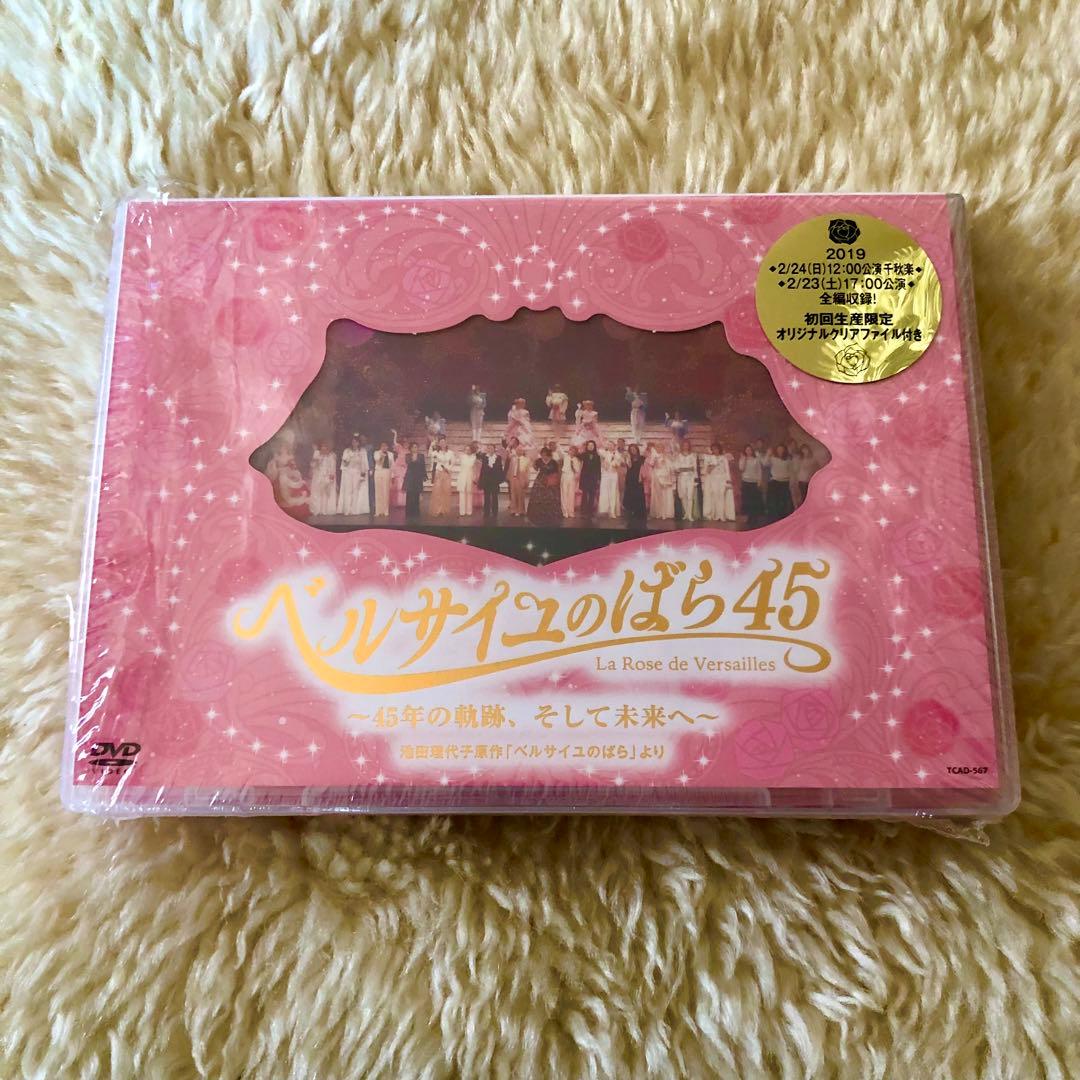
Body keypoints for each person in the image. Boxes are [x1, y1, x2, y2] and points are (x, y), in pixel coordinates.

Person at [702, 442, 737, 522]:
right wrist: (711, 466)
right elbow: (705, 471)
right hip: (713, 479)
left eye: (716, 449)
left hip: (722, 479)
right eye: (713, 449)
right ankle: (716, 515)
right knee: (715, 495)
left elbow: (727, 470)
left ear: (719, 449)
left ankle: (722, 515)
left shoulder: (723, 458)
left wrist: (728, 480)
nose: (715, 450)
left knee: (721, 495)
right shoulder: (709, 458)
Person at [527, 447, 562, 524]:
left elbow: (557, 472)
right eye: (542, 455)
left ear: (548, 454)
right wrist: (533, 462)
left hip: (550, 480)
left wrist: (555, 480)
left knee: (551, 496)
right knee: (537, 496)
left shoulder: (553, 462)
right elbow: (536, 469)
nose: (544, 456)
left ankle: (551, 514)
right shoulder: (539, 461)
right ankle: (538, 514)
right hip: (540, 479)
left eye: (545, 455)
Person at [337, 433, 370, 515]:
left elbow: (364, 463)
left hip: (357, 473)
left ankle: (355, 509)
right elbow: (344, 464)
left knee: (356, 490)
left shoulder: (362, 451)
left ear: (359, 443)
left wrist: (363, 474)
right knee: (348, 490)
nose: (354, 443)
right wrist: (347, 458)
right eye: (353, 442)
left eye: (356, 442)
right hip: (348, 472)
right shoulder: (347, 451)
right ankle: (347, 509)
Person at [765, 444, 794, 522]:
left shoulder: (788, 460)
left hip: (785, 482)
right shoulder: (773, 458)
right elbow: (765, 463)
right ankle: (775, 518)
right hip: (775, 482)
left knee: (784, 500)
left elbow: (791, 471)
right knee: (775, 501)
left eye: (781, 449)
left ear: (784, 450)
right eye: (778, 449)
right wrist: (768, 454)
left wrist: (791, 482)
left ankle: (783, 518)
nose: (780, 451)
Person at [739, 444, 765, 526]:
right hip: (745, 482)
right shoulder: (742, 459)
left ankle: (755, 517)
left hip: (754, 482)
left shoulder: (756, 460)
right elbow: (741, 469)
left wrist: (759, 481)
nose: (748, 451)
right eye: (747, 450)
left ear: (752, 451)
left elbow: (759, 471)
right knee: (747, 501)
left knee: (754, 501)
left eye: (750, 450)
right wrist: (744, 459)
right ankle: (749, 517)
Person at [309, 442, 338, 517]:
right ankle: (317, 509)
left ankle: (324, 509)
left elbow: (332, 468)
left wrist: (331, 477)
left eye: (325, 447)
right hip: (318, 476)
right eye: (322, 447)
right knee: (317, 493)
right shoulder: (317, 456)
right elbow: (313, 466)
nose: (324, 449)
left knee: (325, 493)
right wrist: (316, 460)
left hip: (326, 477)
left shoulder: (331, 457)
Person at [673, 439, 699, 522]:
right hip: (681, 478)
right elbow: (676, 467)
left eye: (687, 445)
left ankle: (690, 515)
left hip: (690, 478)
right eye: (684, 445)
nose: (685, 447)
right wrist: (685, 469)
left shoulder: (693, 456)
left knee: (690, 496)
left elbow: (694, 468)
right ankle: (686, 514)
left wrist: (695, 478)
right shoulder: (678, 456)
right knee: (683, 496)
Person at [648, 445, 675, 520]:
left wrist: (666, 462)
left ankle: (665, 512)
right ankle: (659, 512)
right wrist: (655, 462)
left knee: (665, 494)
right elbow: (651, 464)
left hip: (665, 476)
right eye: (658, 447)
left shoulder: (666, 456)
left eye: (661, 447)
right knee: (658, 495)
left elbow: (671, 467)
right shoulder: (654, 456)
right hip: (657, 476)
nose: (659, 448)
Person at [479, 444, 505, 519]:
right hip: (486, 480)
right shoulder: (484, 457)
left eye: (491, 448)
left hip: (494, 480)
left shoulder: (498, 458)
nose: (490, 450)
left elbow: (500, 468)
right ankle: (486, 512)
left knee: (494, 496)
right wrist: (481, 480)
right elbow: (482, 469)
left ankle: (495, 512)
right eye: (489, 448)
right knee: (486, 497)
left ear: (494, 449)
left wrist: (499, 479)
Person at [429, 437, 455, 516]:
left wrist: (448, 468)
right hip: (439, 472)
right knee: (437, 491)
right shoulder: (436, 452)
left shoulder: (450, 453)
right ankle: (438, 509)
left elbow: (453, 462)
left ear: (446, 443)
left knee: (446, 491)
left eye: (444, 442)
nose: (443, 444)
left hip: (446, 473)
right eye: (441, 442)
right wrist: (432, 444)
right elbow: (430, 456)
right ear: (439, 444)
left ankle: (444, 509)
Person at [507, 440, 532, 516]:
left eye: (520, 450)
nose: (519, 451)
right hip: (513, 479)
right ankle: (513, 510)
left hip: (521, 479)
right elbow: (510, 469)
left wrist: (527, 481)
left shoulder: (526, 460)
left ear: (523, 451)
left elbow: (527, 472)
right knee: (513, 495)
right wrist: (509, 479)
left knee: (520, 495)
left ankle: (521, 510)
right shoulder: (513, 459)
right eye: (517, 450)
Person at [623, 444, 647, 523]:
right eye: (631, 449)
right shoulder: (629, 458)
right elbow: (629, 467)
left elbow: (643, 468)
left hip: (638, 478)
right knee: (630, 494)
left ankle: (639, 512)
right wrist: (627, 459)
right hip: (630, 478)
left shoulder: (642, 458)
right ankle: (631, 511)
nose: (633, 450)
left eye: (634, 449)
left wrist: (641, 477)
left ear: (637, 449)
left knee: (639, 494)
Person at [403, 442, 427, 519]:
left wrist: (424, 476)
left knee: (416, 495)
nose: (415, 448)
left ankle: (416, 512)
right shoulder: (408, 455)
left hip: (418, 477)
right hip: (410, 477)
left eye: (416, 447)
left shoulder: (421, 456)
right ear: (410, 448)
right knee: (409, 495)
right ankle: (409, 513)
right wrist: (413, 458)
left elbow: (423, 466)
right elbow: (409, 463)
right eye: (413, 447)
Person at [578, 440, 602, 519]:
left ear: (594, 446)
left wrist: (599, 478)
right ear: (587, 446)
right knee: (584, 494)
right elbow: (578, 456)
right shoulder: (584, 455)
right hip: (585, 477)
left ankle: (590, 511)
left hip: (593, 477)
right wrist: (582, 447)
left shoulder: (597, 456)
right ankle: (583, 511)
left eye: (592, 445)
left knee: (592, 494)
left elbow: (598, 468)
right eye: (589, 445)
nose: (590, 446)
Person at [457, 441, 480, 517]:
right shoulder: (462, 457)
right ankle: (462, 511)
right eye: (466, 449)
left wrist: (475, 477)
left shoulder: (474, 457)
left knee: (469, 493)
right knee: (462, 493)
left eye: (469, 449)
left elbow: (475, 467)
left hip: (470, 476)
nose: (467, 451)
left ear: (471, 450)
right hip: (462, 476)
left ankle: (469, 511)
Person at [598, 443, 621, 517]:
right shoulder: (604, 453)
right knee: (604, 491)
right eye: (609, 445)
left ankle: (612, 511)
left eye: (612, 445)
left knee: (613, 492)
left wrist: (615, 464)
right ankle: (604, 509)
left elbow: (619, 464)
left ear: (614, 446)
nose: (610, 446)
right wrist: (605, 447)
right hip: (605, 474)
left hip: (613, 474)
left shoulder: (617, 454)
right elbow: (599, 451)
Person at [372, 441, 394, 517]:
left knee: (385, 491)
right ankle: (378, 511)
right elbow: (377, 461)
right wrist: (382, 455)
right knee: (378, 491)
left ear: (388, 447)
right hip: (378, 472)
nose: (384, 447)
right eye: (383, 446)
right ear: (380, 446)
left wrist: (392, 476)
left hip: (387, 472)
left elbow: (392, 465)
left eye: (386, 446)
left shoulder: (391, 454)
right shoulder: (376, 453)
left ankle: (385, 510)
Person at [560, 444, 581, 517]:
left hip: (572, 477)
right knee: (564, 494)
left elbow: (578, 471)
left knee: (571, 494)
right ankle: (565, 511)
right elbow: (560, 450)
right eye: (570, 450)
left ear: (575, 452)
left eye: (573, 451)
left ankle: (571, 511)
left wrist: (575, 470)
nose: (571, 452)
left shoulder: (576, 460)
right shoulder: (565, 457)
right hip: (565, 475)